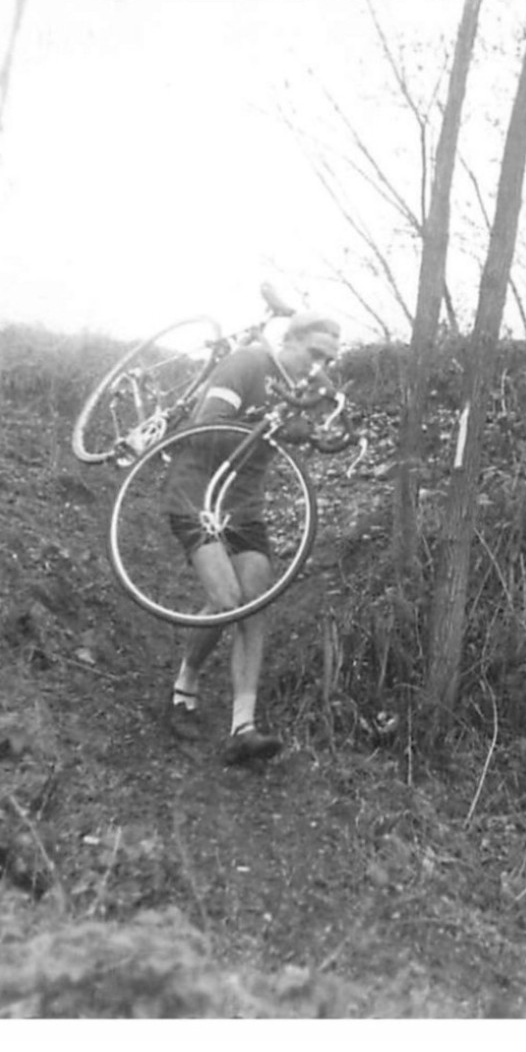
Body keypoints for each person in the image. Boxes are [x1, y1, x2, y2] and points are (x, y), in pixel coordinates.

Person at [161, 310, 342, 766]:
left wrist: (314, 436)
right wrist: (264, 425)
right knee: (226, 599)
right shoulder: (248, 363)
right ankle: (184, 687)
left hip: (243, 506)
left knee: (255, 596)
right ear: (290, 340)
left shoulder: (303, 393)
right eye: (313, 353)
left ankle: (244, 726)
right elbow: (206, 428)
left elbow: (298, 436)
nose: (317, 366)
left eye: (328, 361)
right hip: (197, 491)